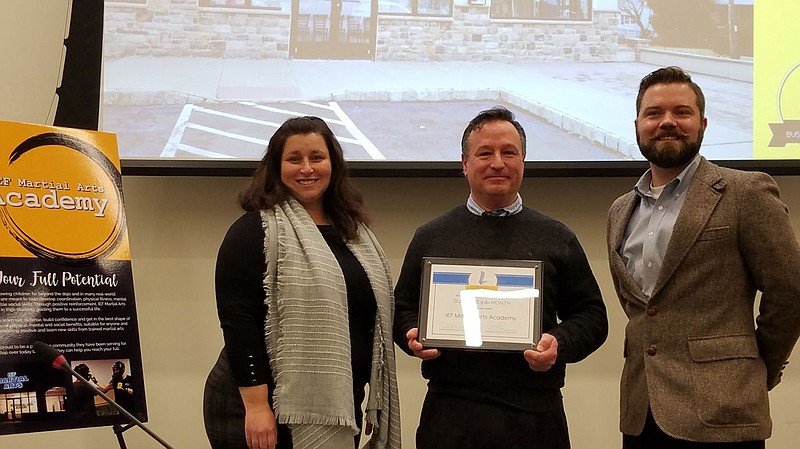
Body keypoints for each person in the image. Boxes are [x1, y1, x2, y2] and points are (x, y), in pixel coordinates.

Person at [607, 66, 800, 448]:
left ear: (702, 123)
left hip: (725, 411)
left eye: (681, 112)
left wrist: (754, 365)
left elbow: (790, 289)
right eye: (653, 113)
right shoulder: (619, 210)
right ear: (637, 125)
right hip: (640, 413)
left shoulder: (745, 192)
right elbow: (642, 309)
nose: (667, 122)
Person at [393, 106, 608, 449]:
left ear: (523, 161)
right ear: (465, 163)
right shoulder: (431, 236)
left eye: (509, 152)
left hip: (535, 417)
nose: (497, 162)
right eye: (484, 153)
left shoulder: (556, 237)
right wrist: (411, 334)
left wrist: (559, 344)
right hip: (450, 415)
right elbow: (401, 309)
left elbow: (593, 317)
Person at [203, 116, 401, 449]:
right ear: (276, 167)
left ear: (333, 164)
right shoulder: (253, 231)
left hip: (337, 404)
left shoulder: (355, 234)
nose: (306, 168)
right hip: (259, 407)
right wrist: (256, 407)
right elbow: (239, 323)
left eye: (316, 158)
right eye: (294, 159)